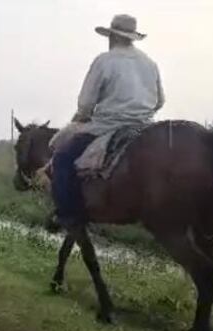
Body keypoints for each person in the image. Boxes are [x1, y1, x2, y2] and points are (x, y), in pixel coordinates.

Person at [52, 14, 165, 228]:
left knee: (62, 158)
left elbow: (85, 105)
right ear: (132, 37)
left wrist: (81, 119)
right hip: (143, 126)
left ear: (112, 36)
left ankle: (67, 214)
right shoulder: (150, 63)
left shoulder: (104, 61)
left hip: (107, 125)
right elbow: (160, 101)